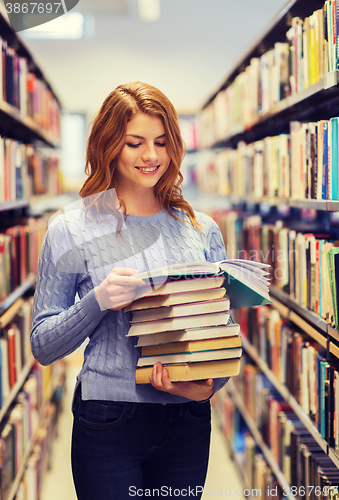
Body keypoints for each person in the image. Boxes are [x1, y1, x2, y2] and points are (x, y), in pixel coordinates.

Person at [31, 82, 232, 500]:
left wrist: (208, 386)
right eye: (134, 143)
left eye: (162, 142)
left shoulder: (202, 230)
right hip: (108, 421)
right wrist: (97, 301)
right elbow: (43, 346)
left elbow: (224, 339)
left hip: (188, 422)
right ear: (108, 145)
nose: (152, 156)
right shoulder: (71, 228)